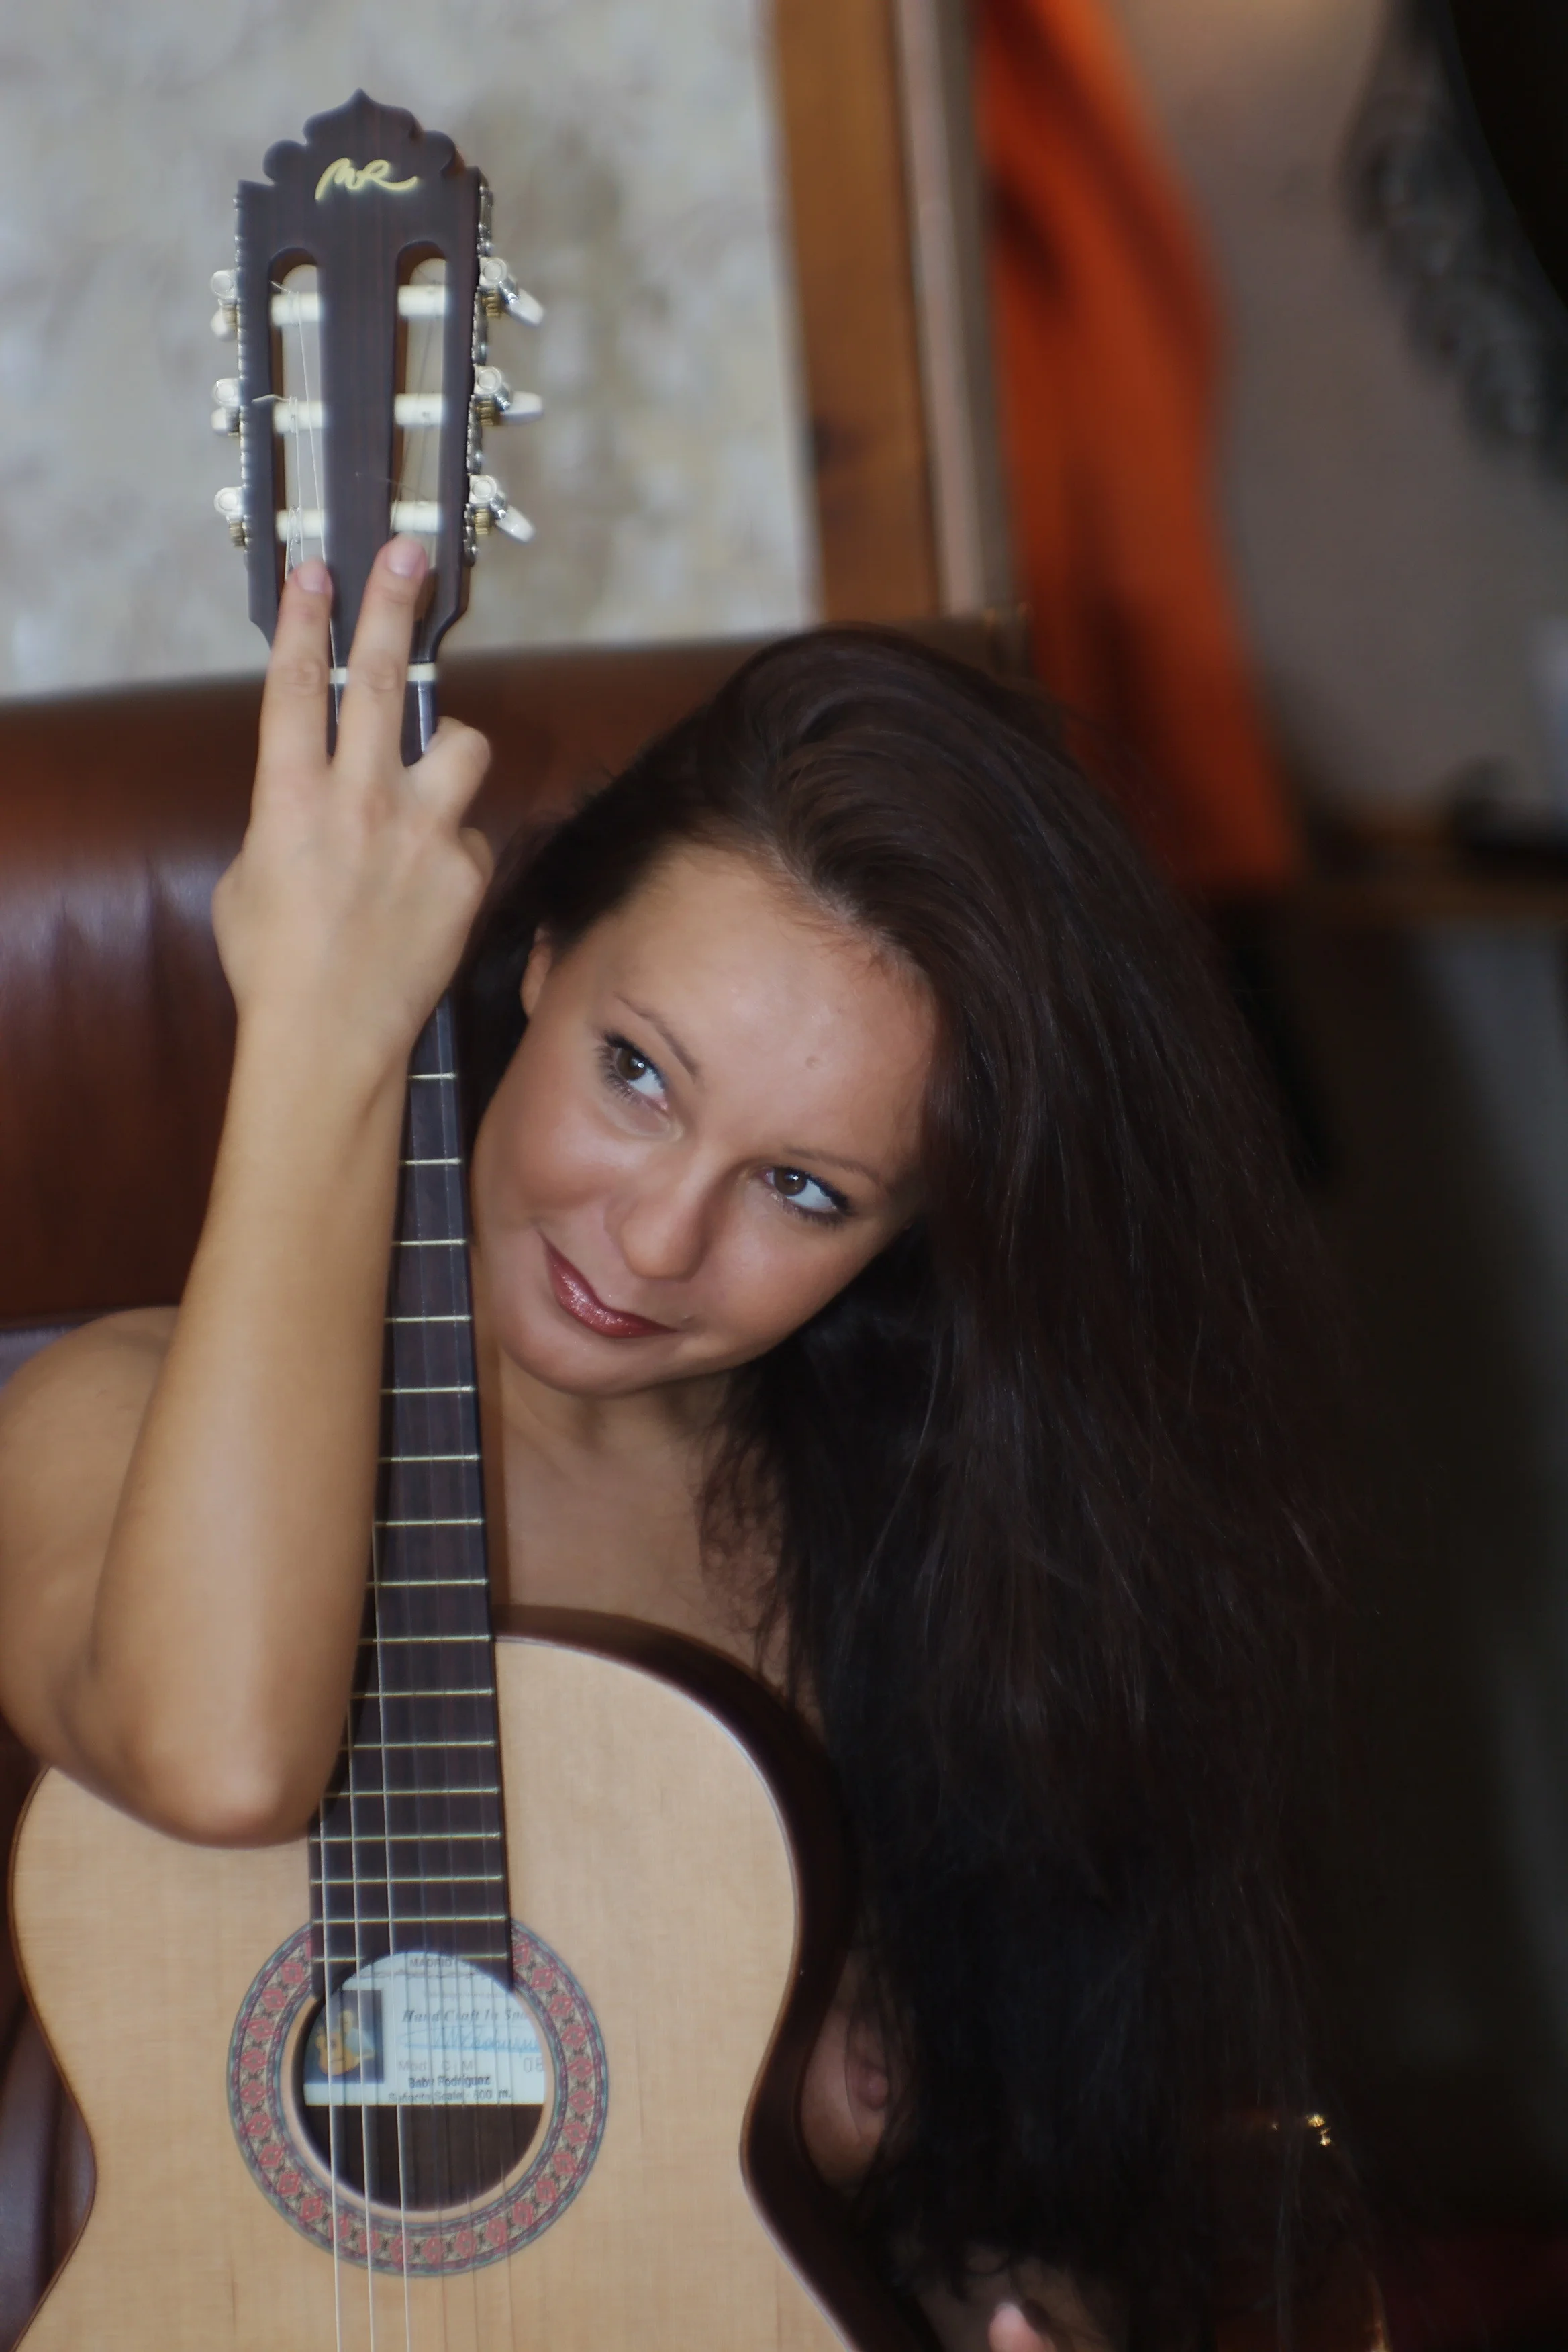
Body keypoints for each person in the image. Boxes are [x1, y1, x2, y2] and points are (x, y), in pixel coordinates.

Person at [0, 540, 1340, 2351]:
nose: (652, 1240)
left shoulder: (929, 1565)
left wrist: (1037, 2314)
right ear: (536, 961)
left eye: (804, 1188)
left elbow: (1013, 2205)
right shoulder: (101, 1419)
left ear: (908, 1236)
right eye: (637, 1073)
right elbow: (221, 1759)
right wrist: (323, 1027)